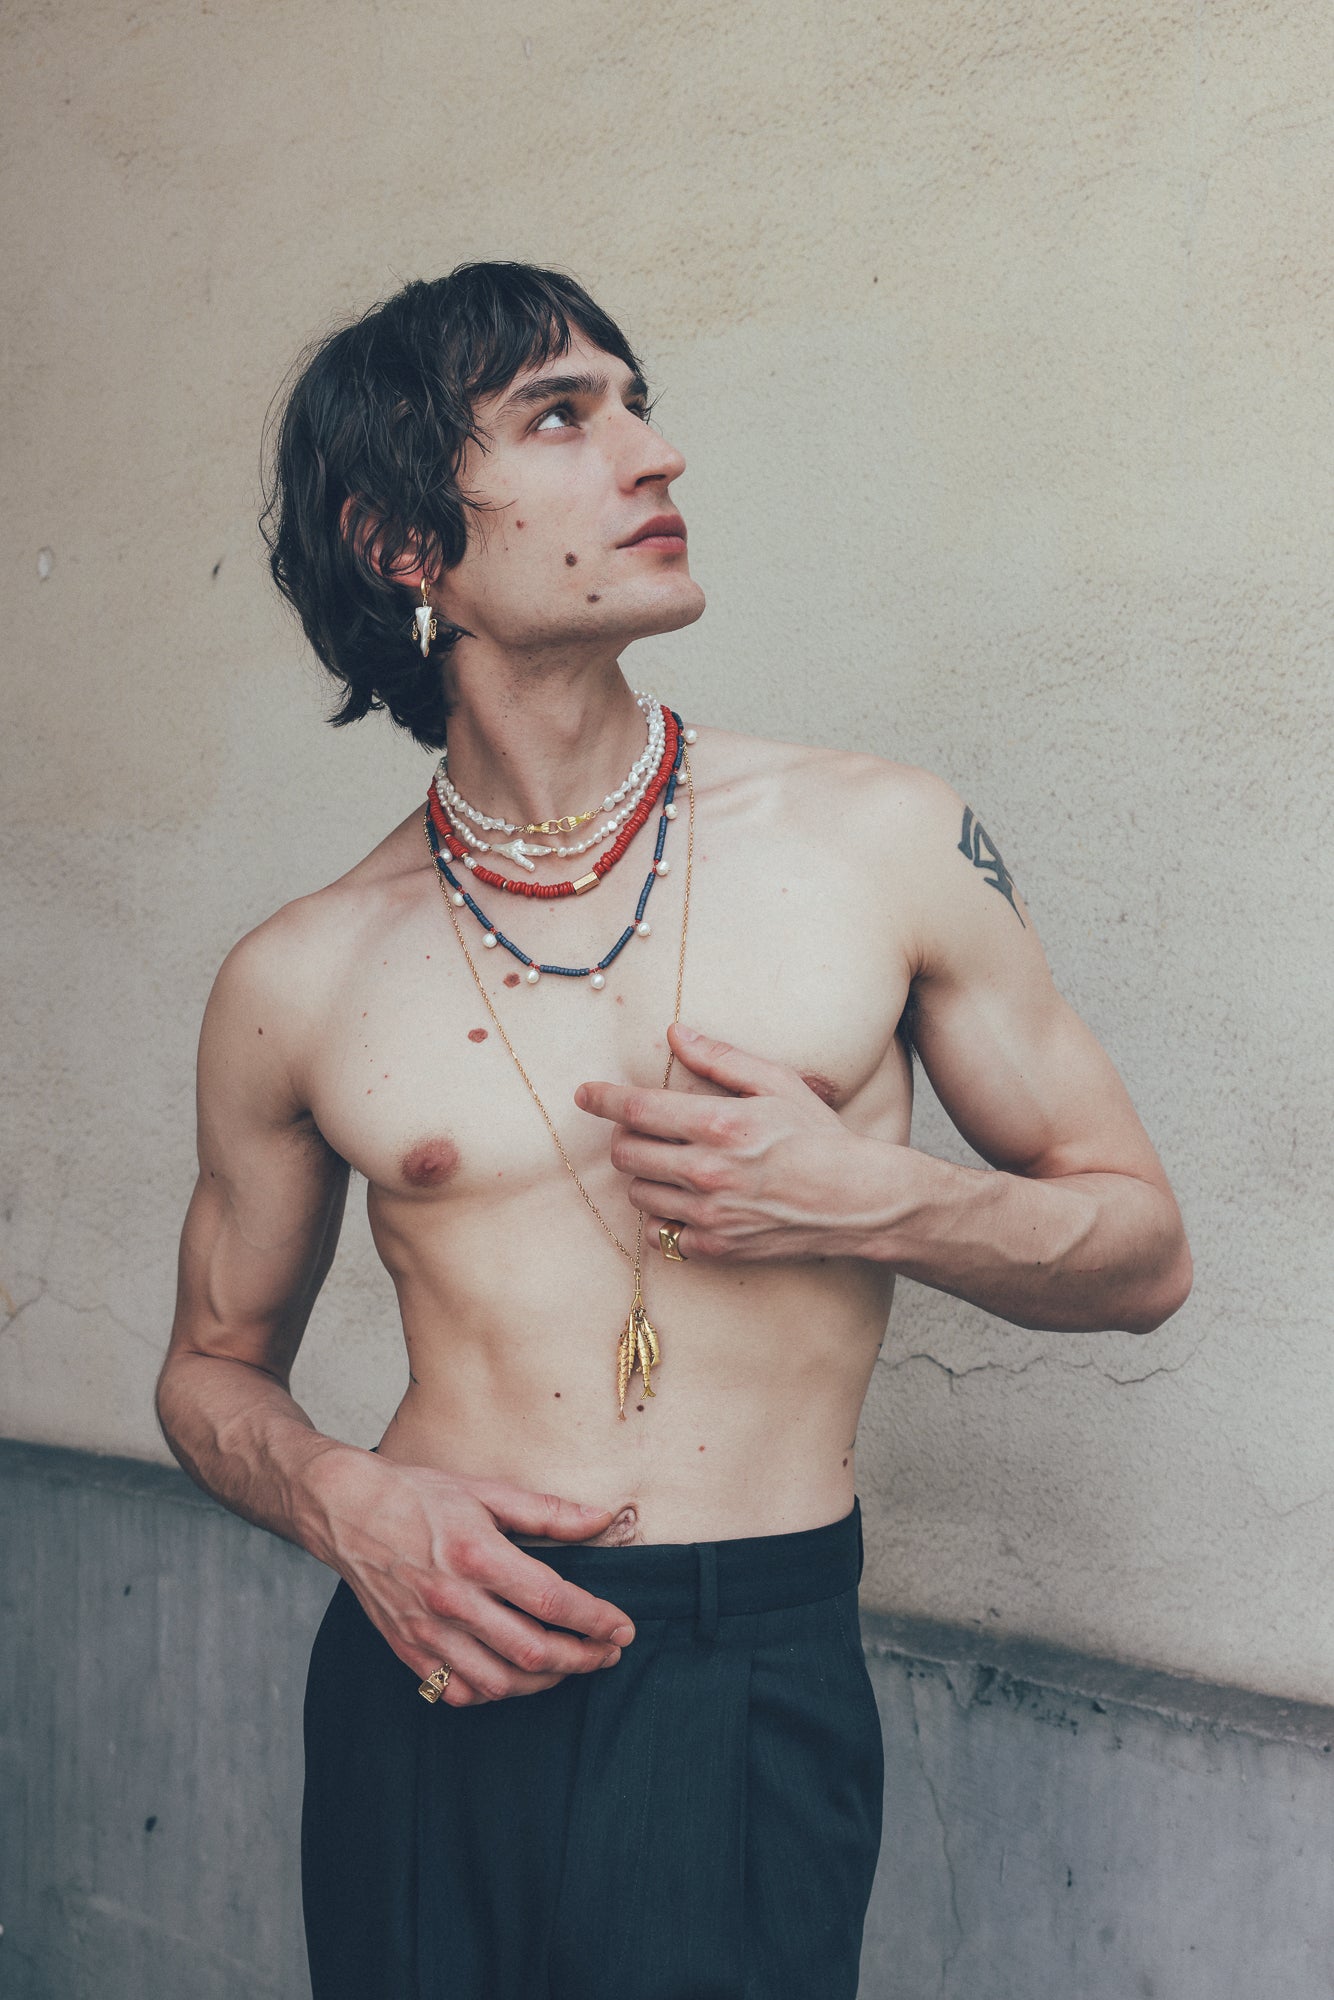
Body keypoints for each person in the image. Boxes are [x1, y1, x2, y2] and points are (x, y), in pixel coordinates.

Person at [155, 261, 1192, 2000]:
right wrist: (343, 1503)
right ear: (400, 544)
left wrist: (875, 1201)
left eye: (635, 402)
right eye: (562, 417)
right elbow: (207, 1369)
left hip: (744, 1662)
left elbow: (1143, 1256)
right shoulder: (300, 972)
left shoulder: (882, 841)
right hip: (432, 1650)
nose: (653, 454)